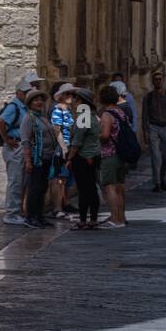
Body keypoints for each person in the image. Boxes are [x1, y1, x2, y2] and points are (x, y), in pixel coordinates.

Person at [0, 72, 43, 226]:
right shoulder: (14, 106)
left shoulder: (25, 107)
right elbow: (1, 121)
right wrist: (6, 139)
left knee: (22, 181)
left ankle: (18, 211)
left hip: (23, 146)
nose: (28, 95)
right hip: (15, 147)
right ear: (18, 93)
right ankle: (11, 213)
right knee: (15, 182)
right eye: (25, 93)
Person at [65, 88, 102, 230]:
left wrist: (69, 158)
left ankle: (84, 220)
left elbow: (77, 142)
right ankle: (92, 218)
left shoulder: (84, 117)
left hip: (84, 157)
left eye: (75, 99)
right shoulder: (89, 115)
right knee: (90, 188)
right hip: (91, 156)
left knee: (85, 189)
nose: (73, 102)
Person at [19, 89, 55, 228]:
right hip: (35, 158)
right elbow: (26, 141)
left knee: (42, 188)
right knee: (34, 188)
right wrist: (28, 161)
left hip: (46, 157)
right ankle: (30, 217)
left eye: (40, 99)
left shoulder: (42, 117)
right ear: (30, 103)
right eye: (35, 100)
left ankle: (39, 216)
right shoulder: (29, 118)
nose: (39, 102)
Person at [98, 84, 131, 228]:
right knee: (119, 187)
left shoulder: (107, 114)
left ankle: (115, 220)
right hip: (122, 154)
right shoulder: (121, 112)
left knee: (110, 187)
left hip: (110, 154)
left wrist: (94, 136)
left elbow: (105, 136)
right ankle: (121, 217)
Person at [142, 69, 166, 192]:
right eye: (156, 79)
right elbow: (144, 115)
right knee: (155, 156)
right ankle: (157, 182)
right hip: (153, 127)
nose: (158, 81)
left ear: (163, 81)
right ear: (153, 81)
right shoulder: (148, 97)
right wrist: (145, 132)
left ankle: (161, 177)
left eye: (160, 79)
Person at [48, 83, 79, 219]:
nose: (70, 96)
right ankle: (57, 208)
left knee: (63, 178)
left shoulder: (67, 110)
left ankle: (61, 205)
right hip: (60, 149)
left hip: (67, 147)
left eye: (72, 94)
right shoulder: (57, 110)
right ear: (61, 96)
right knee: (58, 178)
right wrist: (64, 147)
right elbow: (57, 130)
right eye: (67, 94)